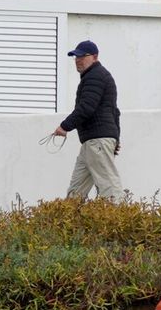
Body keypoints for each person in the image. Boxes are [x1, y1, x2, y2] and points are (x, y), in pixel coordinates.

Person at [52, 39, 124, 201]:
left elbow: (86, 107)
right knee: (76, 191)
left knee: (109, 186)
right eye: (75, 57)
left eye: (82, 56)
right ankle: (69, 222)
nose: (78, 60)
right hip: (92, 143)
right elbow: (115, 112)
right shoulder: (95, 76)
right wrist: (115, 138)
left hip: (97, 141)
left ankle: (121, 222)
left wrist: (65, 126)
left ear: (95, 57)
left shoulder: (95, 76)